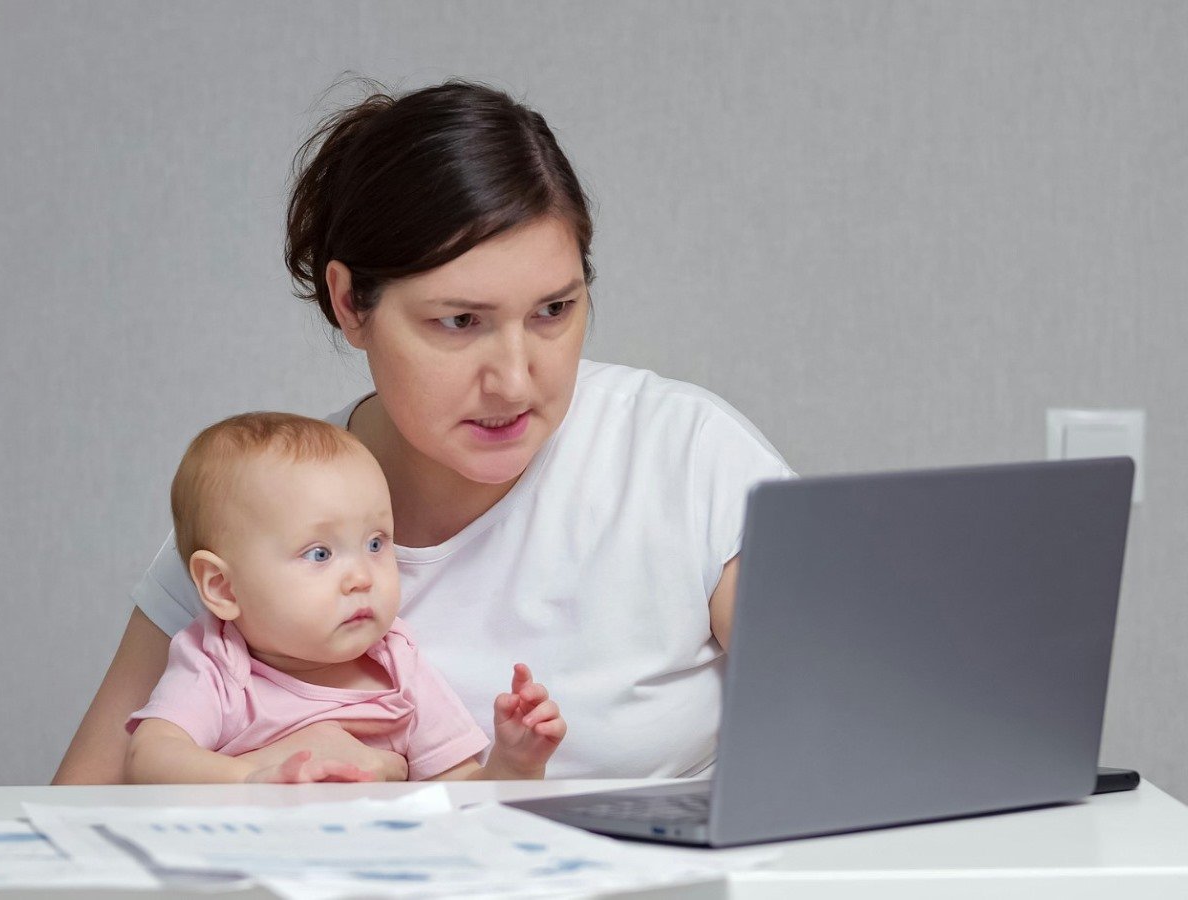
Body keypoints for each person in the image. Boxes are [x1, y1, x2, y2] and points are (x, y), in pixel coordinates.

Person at [54, 78, 794, 785]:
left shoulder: (681, 455)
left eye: (554, 311)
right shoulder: (258, 503)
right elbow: (78, 824)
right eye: (460, 322)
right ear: (350, 303)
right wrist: (262, 778)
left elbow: (854, 734)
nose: (515, 378)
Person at [125, 412, 565, 783]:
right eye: (320, 553)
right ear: (223, 588)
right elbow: (150, 758)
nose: (361, 577)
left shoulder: (396, 663)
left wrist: (515, 764)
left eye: (376, 543)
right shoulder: (218, 665)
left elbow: (459, 789)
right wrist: (254, 780)